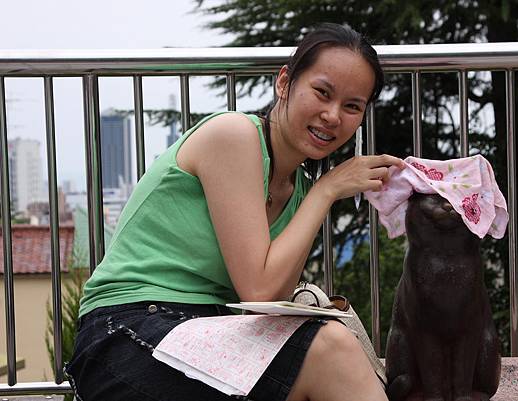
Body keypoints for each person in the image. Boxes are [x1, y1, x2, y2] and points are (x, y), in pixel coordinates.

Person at [66, 22, 405, 401]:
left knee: (334, 352)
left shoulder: (299, 189)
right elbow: (259, 287)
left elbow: (266, 302)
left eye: (352, 106)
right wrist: (327, 191)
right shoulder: (235, 135)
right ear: (284, 82)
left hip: (203, 333)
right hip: (126, 332)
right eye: (322, 92)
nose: (332, 115)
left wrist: (317, 193)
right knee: (330, 349)